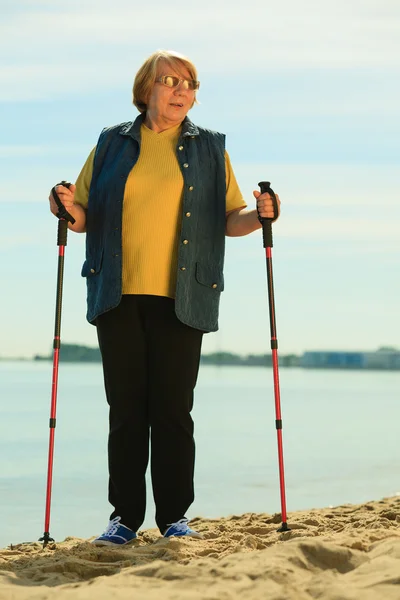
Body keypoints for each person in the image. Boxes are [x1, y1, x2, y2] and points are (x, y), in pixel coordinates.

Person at [49, 49, 281, 545]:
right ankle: (124, 518)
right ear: (146, 89)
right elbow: (84, 213)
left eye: (190, 83)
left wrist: (262, 215)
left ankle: (175, 516)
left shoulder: (211, 148)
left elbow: (230, 219)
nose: (181, 91)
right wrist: (65, 206)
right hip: (117, 291)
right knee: (126, 409)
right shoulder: (111, 143)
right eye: (170, 80)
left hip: (185, 297)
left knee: (173, 410)